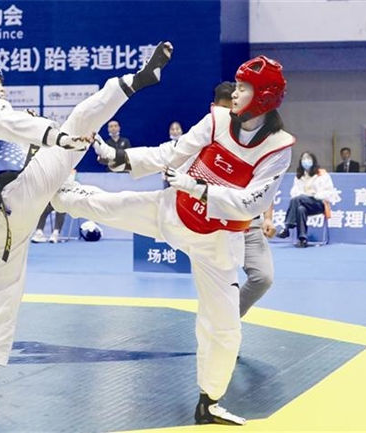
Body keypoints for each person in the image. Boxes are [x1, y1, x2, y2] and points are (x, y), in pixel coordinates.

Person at [53, 55, 294, 425]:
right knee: (109, 206)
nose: (235, 93)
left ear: (263, 97)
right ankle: (54, 194)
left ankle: (209, 402)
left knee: (224, 328)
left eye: (244, 88)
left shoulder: (277, 147)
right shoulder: (217, 119)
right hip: (173, 211)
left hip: (217, 242)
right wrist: (122, 157)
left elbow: (255, 201)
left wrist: (200, 189)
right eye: (236, 85)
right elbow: (172, 152)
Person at [0, 42, 174, 411]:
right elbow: (14, 123)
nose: (2, 88)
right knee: (80, 122)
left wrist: (50, 145)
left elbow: (13, 141)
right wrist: (59, 138)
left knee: (7, 293)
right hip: (17, 194)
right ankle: (135, 82)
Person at [212, 81, 275, 316]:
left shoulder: (255, 141)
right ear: (214, 108)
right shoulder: (204, 138)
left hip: (249, 225)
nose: (230, 116)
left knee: (263, 277)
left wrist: (268, 217)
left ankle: (226, 319)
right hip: (216, 228)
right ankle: (222, 328)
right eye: (225, 110)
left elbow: (266, 186)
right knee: (220, 285)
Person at [276, 152, 336, 247]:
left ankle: (287, 227)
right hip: (303, 203)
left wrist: (314, 195)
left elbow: (329, 192)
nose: (306, 161)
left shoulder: (322, 174)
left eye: (308, 158)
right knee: (300, 209)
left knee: (299, 199)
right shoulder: (299, 176)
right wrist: (304, 195)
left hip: (318, 203)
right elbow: (294, 193)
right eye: (304, 159)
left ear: (313, 161)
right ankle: (302, 239)